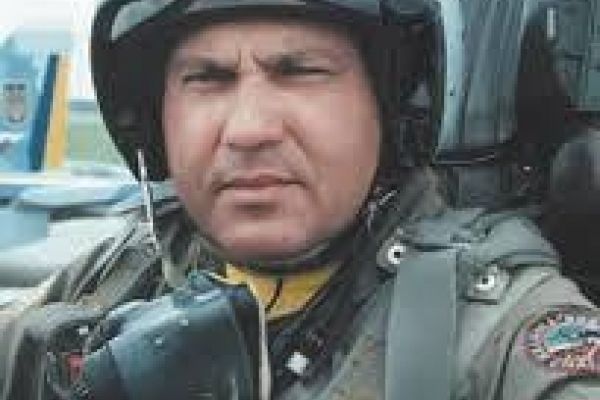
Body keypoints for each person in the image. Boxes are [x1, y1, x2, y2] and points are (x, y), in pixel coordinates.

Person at [1, 0, 600, 399]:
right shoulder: (118, 275)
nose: (248, 129)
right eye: (207, 78)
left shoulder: (497, 330)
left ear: (389, 109)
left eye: (300, 71)